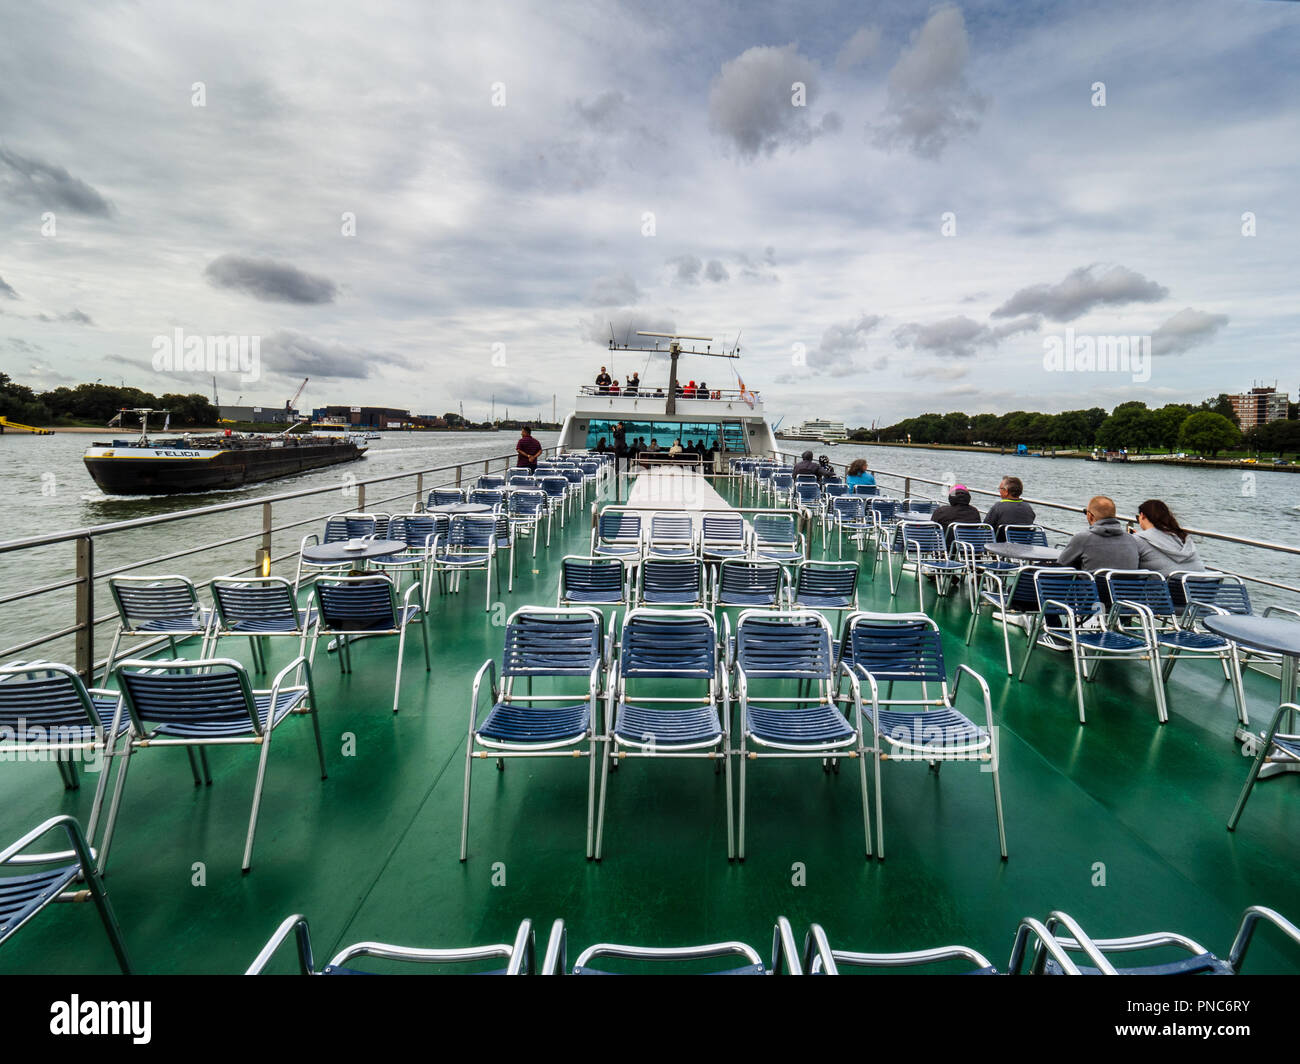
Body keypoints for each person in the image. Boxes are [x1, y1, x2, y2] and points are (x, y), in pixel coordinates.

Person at [1058, 496, 1140, 573]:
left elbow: (1061, 565)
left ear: (1090, 516)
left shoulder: (1083, 538)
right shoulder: (1132, 539)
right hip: (1124, 587)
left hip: (1093, 587)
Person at [1131, 499, 1205, 575]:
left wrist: (1134, 539)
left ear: (1142, 515)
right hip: (1200, 582)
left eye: (1138, 518)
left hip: (1168, 584)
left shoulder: (1139, 539)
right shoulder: (1183, 537)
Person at [985, 476, 1036, 541]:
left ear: (1006, 491)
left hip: (1000, 547)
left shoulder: (998, 507)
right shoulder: (1028, 508)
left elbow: (986, 526)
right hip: (1023, 547)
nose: (999, 491)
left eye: (1000, 488)